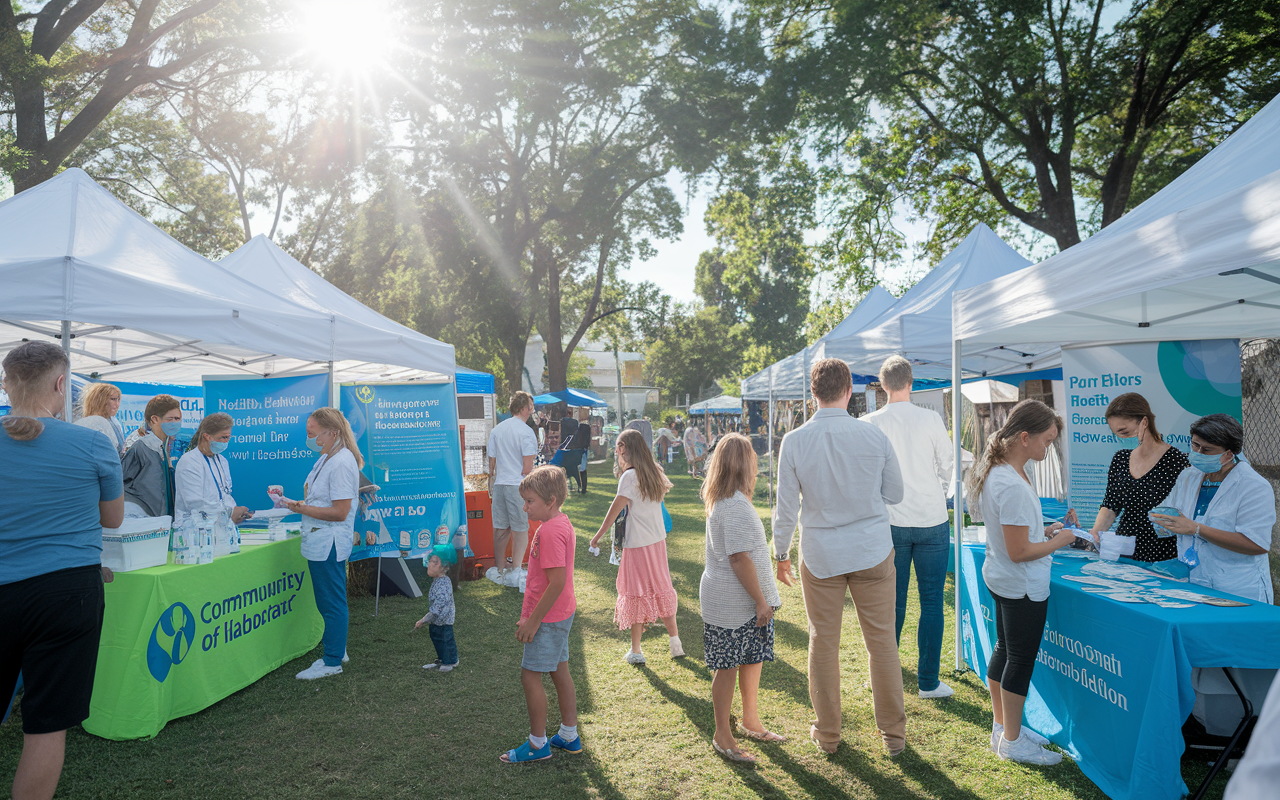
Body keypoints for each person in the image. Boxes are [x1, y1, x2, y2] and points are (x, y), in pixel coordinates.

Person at [0, 341, 124, 800]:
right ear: (60, 383)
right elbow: (112, 519)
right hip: (68, 591)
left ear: (6, 383)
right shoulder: (91, 441)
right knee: (47, 725)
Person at [772, 357, 905, 756]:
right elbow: (896, 493)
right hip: (871, 549)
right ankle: (893, 737)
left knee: (823, 641)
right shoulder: (874, 437)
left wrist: (780, 552)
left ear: (812, 395)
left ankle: (828, 734)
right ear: (849, 391)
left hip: (822, 553)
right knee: (881, 642)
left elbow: (784, 509)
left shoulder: (794, 441)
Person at [968, 399, 1076, 765]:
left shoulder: (1002, 471)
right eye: (1047, 440)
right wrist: (1060, 540)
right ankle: (1012, 740)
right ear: (1025, 438)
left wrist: (1045, 531)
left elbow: (1014, 535)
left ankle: (1003, 727)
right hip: (1021, 584)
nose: (1050, 447)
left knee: (1005, 650)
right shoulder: (1010, 483)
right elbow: (1019, 551)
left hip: (1005, 580)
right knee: (1020, 660)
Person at [864, 355, 956, 699]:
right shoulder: (931, 419)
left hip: (890, 521)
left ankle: (883, 677)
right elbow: (949, 466)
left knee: (892, 602)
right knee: (931, 601)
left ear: (882, 385)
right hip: (931, 517)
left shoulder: (869, 422)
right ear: (911, 382)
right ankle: (928, 682)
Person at [700, 433, 784, 765]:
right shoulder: (732, 504)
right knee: (727, 667)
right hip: (734, 604)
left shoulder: (730, 498)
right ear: (742, 463)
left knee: (750, 658)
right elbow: (738, 558)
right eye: (753, 457)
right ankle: (723, 734)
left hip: (744, 603)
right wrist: (762, 601)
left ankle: (750, 720)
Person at [500, 466, 580, 763]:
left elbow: (556, 582)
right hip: (559, 613)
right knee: (560, 670)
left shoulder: (549, 531)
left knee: (530, 676)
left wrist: (533, 620)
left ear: (551, 500)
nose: (525, 507)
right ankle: (569, 736)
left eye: (530, 501)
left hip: (548, 618)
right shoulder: (560, 523)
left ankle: (537, 744)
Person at [1151, 413, 1274, 603]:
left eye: (1207, 450)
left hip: (1236, 587)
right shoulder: (1189, 476)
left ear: (1229, 454)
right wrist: (1164, 520)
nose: (1197, 453)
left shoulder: (1253, 486)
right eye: (1195, 445)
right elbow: (1171, 511)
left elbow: (1256, 544)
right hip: (1194, 581)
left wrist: (1196, 529)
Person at [589, 428, 684, 664]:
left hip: (637, 543)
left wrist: (597, 536)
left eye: (618, 448)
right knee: (662, 586)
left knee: (635, 592)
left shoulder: (629, 477)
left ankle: (636, 650)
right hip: (657, 540)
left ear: (623, 449)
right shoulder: (655, 470)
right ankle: (675, 643)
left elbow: (615, 510)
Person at [286, 408, 361, 681]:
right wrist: (300, 505)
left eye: (312, 433)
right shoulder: (327, 458)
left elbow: (340, 512)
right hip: (321, 538)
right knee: (328, 600)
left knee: (331, 602)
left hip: (329, 540)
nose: (310, 438)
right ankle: (337, 649)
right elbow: (319, 500)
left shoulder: (341, 462)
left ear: (333, 433)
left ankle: (331, 661)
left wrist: (302, 509)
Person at [1087, 393, 1189, 562]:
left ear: (1144, 422)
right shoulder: (1120, 459)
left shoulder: (1175, 460)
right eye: (1116, 434)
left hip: (1162, 554)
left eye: (1124, 431)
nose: (1121, 438)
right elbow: (1111, 503)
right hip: (1125, 547)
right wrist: (1096, 533)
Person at [488, 392, 538, 582]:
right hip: (517, 484)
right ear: (525, 408)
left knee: (500, 528)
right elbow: (527, 467)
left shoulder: (497, 429)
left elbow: (491, 464)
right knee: (520, 529)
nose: (532, 410)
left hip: (500, 484)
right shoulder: (526, 432)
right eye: (531, 406)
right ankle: (516, 569)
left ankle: (500, 568)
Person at [174, 412, 253, 525]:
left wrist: (237, 512)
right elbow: (194, 504)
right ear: (207, 436)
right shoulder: (189, 461)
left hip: (222, 527)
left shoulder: (222, 461)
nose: (226, 442)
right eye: (224, 437)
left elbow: (225, 494)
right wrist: (229, 513)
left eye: (228, 438)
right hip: (195, 530)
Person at [120, 394, 184, 518]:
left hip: (163, 520)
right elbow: (120, 482)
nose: (175, 423)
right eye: (170, 419)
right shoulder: (141, 448)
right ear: (154, 419)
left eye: (178, 419)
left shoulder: (167, 449)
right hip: (143, 520)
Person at [415, 545, 459, 673]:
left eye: (435, 562)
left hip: (444, 620)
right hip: (436, 620)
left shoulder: (444, 584)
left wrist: (424, 620)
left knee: (446, 639)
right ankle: (442, 659)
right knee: (437, 638)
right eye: (430, 561)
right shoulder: (437, 581)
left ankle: (451, 660)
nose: (429, 564)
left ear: (444, 567)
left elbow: (438, 607)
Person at [74, 382, 126, 458]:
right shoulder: (92, 423)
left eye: (118, 400)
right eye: (113, 399)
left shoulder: (114, 422)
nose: (117, 404)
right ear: (100, 401)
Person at [564, 409, 593, 494]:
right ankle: (582, 487)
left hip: (578, 449)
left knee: (579, 468)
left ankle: (581, 487)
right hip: (579, 449)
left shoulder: (581, 426)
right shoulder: (578, 425)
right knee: (581, 468)